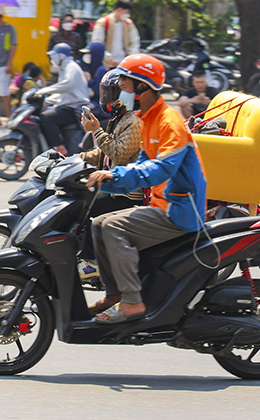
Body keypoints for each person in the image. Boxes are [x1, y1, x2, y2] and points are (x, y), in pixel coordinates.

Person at [85, 54, 206, 324]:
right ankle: (114, 293)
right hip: (161, 205)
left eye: (126, 83)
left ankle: (132, 302)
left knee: (113, 228)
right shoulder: (147, 118)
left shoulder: (169, 122)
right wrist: (107, 178)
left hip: (179, 211)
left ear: (143, 86)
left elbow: (161, 170)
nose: (122, 90)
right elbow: (140, 163)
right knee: (98, 224)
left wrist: (114, 173)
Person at [79, 69, 143, 217]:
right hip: (112, 186)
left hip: (126, 194)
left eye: (111, 93)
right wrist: (75, 159)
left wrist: (96, 131)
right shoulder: (120, 118)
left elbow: (119, 154)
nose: (107, 98)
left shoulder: (135, 120)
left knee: (82, 209)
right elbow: (105, 154)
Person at [40, 43, 91, 156]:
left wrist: (44, 91)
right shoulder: (64, 68)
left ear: (61, 56)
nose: (52, 59)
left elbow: (67, 84)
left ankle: (60, 148)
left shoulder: (71, 67)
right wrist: (46, 100)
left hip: (74, 107)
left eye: (54, 56)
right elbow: (64, 93)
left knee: (46, 117)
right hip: (68, 105)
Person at [91, 0, 141, 67]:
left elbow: (135, 41)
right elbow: (97, 43)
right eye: (126, 12)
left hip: (124, 63)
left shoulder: (128, 23)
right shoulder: (103, 22)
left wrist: (131, 57)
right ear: (119, 10)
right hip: (107, 64)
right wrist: (108, 58)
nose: (127, 15)